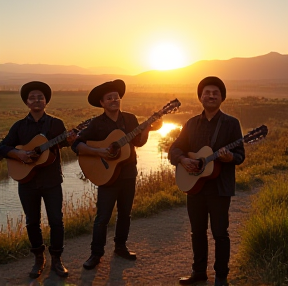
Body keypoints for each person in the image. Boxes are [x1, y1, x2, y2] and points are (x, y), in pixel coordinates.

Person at [72, 79, 161, 270]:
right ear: (102, 103)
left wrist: (146, 131)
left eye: (117, 97)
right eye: (109, 98)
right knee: (102, 217)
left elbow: (138, 143)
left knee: (125, 214)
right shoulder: (96, 124)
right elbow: (76, 144)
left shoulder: (130, 119)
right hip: (106, 175)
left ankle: (120, 247)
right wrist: (99, 152)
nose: (114, 100)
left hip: (128, 173)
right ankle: (96, 254)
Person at [168, 77, 245, 286]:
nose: (211, 96)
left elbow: (240, 155)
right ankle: (198, 272)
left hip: (220, 188)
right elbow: (174, 149)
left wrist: (230, 157)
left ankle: (221, 276)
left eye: (215, 93)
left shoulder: (231, 124)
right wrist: (183, 160)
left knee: (220, 233)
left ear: (222, 98)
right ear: (200, 97)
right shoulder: (191, 123)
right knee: (197, 232)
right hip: (194, 187)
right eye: (207, 92)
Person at [0, 81, 75, 279]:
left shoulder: (56, 124)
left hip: (51, 181)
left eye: (40, 97)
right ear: (26, 102)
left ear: (46, 101)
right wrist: (18, 154)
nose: (37, 100)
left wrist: (71, 139)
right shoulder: (19, 127)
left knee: (56, 221)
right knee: (32, 222)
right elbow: (2, 147)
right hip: (26, 182)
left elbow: (66, 143)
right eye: (32, 97)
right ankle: (38, 259)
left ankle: (57, 260)